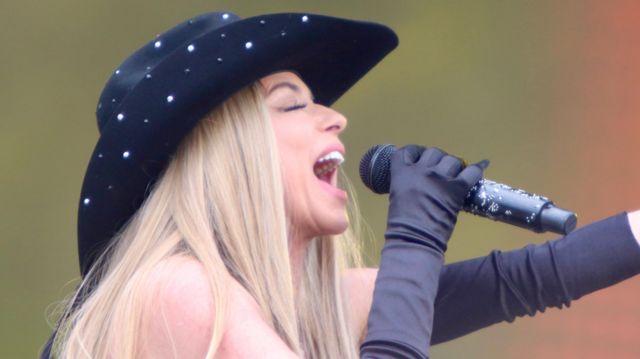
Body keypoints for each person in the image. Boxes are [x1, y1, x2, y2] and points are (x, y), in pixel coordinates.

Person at [41, 12, 640, 359]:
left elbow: (528, 282)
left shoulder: (319, 300)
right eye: (292, 104)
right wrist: (415, 235)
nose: (335, 118)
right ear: (226, 157)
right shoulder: (178, 291)